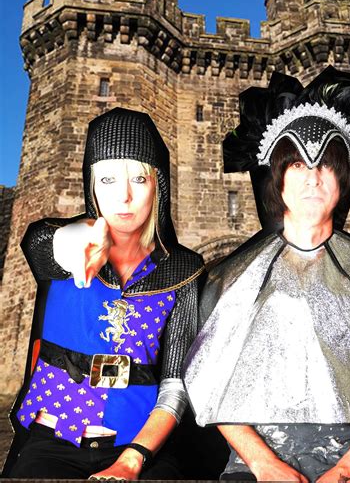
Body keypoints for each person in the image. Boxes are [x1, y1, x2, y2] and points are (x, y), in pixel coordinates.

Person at [183, 66, 350, 483]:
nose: (312, 178)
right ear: (277, 178)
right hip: (255, 468)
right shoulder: (230, 279)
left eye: (326, 164)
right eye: (297, 164)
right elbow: (209, 379)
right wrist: (263, 464)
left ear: (343, 179)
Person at [4, 108, 205, 480]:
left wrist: (133, 460)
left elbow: (174, 382)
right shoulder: (56, 249)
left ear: (157, 185)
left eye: (139, 178)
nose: (124, 196)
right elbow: (45, 243)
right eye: (108, 179)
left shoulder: (183, 271)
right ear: (92, 185)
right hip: (53, 444)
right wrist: (78, 240)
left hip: (139, 448)